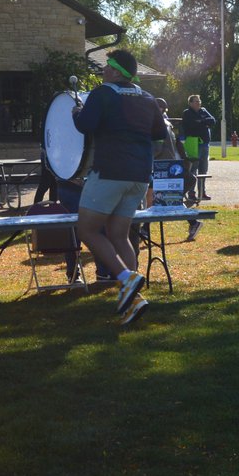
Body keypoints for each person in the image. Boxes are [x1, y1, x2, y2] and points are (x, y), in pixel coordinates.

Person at [71, 48, 165, 326]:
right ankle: (132, 301)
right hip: (139, 175)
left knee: (86, 228)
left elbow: (84, 125)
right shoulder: (147, 98)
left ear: (114, 71)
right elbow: (159, 136)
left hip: (110, 171)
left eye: (105, 67)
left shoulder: (103, 93)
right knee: (118, 234)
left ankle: (126, 278)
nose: (103, 72)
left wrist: (77, 112)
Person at [155, 97, 202, 241]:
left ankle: (143, 230)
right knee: (168, 200)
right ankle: (194, 223)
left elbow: (156, 149)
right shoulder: (167, 124)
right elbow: (178, 146)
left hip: (164, 168)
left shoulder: (159, 124)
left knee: (161, 199)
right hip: (171, 167)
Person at [180, 95, 216, 200]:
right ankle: (191, 193)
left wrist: (201, 121)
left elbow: (213, 120)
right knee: (193, 169)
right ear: (190, 103)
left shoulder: (203, 111)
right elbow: (191, 125)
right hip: (194, 144)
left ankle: (202, 192)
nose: (198, 103)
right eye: (196, 101)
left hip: (205, 144)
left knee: (203, 170)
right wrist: (204, 122)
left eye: (199, 101)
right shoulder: (187, 113)